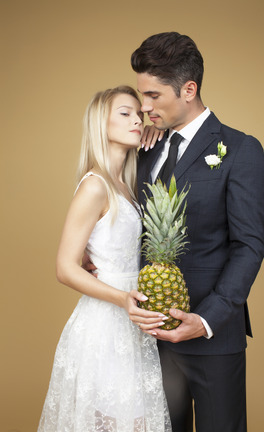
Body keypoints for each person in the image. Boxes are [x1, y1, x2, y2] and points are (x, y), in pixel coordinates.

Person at [129, 32, 264, 432]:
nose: (145, 106)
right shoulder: (144, 147)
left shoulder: (241, 150)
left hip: (213, 337)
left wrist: (206, 320)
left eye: (154, 95)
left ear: (188, 89)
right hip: (147, 336)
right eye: (142, 95)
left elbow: (249, 246)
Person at [37, 86, 172, 432]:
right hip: (105, 323)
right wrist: (122, 298)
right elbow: (65, 268)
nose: (136, 121)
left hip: (133, 320)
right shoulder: (95, 185)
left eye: (138, 116)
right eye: (125, 114)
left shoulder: (126, 183)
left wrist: (158, 127)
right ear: (101, 124)